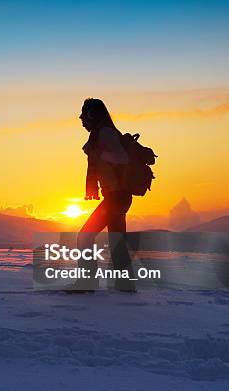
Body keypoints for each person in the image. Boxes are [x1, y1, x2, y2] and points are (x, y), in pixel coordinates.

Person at [77, 98, 136, 292]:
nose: (81, 118)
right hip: (115, 195)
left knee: (85, 236)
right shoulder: (99, 134)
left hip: (117, 196)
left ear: (93, 115)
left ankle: (87, 283)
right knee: (117, 243)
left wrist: (99, 154)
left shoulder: (105, 133)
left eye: (84, 114)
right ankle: (125, 286)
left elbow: (123, 158)